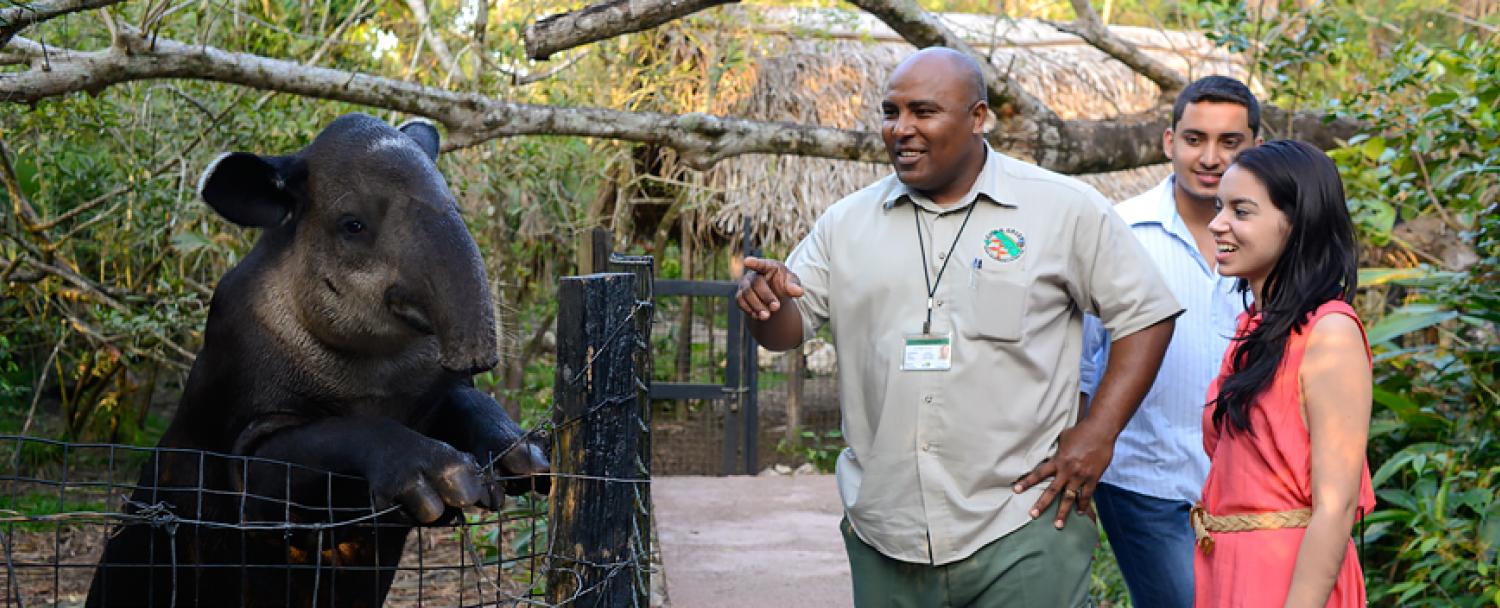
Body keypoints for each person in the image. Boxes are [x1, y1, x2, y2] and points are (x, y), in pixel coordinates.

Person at [735, 46, 1182, 606]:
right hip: (885, 529)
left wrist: (1099, 433)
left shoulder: (1062, 209)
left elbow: (1147, 313)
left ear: (977, 118)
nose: (901, 130)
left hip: (1021, 523)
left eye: (923, 112)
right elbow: (787, 331)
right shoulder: (846, 223)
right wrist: (767, 305)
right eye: (890, 112)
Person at [1077, 75, 1263, 607]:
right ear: (1168, 142)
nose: (1210, 157)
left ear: (1256, 147)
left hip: (1248, 485)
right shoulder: (1121, 232)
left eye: (1230, 142)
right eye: (1194, 139)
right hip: (1145, 480)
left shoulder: (1273, 239)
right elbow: (1084, 362)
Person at [1194, 140, 1374, 607]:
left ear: (1297, 224)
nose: (1217, 224)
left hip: (1287, 577)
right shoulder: (1254, 328)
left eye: (1242, 210)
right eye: (1219, 207)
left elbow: (1334, 507)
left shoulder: (1329, 333)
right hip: (1227, 566)